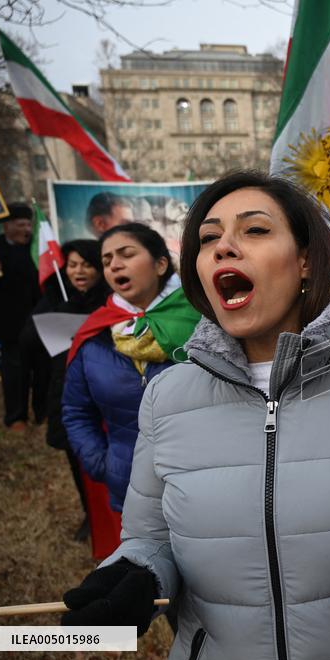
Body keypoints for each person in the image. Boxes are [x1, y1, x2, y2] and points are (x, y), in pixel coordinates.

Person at [60, 172, 330, 660]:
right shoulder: (167, 396)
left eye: (255, 230)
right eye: (208, 238)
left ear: (306, 260)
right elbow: (149, 537)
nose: (223, 247)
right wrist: (137, 572)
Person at [63, 223, 199, 557]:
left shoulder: (205, 321)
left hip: (202, 481)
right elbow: (76, 412)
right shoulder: (95, 333)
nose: (115, 265)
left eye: (126, 254)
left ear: (161, 264)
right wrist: (103, 464)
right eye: (107, 260)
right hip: (128, 484)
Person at [23, 240, 110, 541]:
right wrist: (59, 314)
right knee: (77, 457)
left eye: (86, 265)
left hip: (104, 394)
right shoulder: (56, 296)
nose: (78, 271)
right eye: (72, 265)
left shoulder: (112, 299)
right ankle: (90, 515)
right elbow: (27, 341)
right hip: (67, 390)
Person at [0, 204, 47, 430]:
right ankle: (16, 416)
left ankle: (43, 412)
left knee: (43, 368)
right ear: (6, 225)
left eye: (28, 224)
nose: (26, 229)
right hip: (8, 323)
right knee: (15, 370)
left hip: (39, 319)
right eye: (20, 225)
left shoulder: (37, 248)